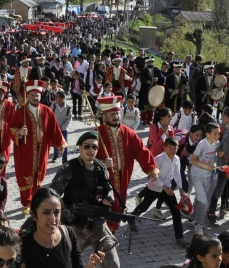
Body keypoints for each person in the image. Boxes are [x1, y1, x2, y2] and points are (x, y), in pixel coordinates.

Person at [47, 131, 121, 267]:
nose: (91, 150)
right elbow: (52, 197)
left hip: (97, 225)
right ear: (79, 147)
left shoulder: (101, 168)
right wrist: (71, 217)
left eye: (94, 147)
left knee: (113, 263)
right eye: (87, 146)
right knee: (63, 263)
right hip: (74, 227)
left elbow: (108, 188)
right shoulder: (68, 169)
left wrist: (109, 197)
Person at [94, 96, 158, 231]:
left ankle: (112, 232)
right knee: (104, 207)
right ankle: (103, 234)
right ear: (104, 115)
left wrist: (151, 169)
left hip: (123, 178)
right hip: (103, 180)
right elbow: (86, 159)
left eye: (117, 113)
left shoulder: (128, 133)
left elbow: (141, 151)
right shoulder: (96, 134)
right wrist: (101, 163)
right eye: (112, 114)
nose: (116, 116)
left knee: (118, 205)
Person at [8, 80, 68, 214]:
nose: (35, 98)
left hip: (42, 150)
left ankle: (35, 202)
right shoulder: (21, 112)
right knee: (25, 176)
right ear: (28, 96)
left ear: (40, 96)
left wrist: (60, 144)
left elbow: (54, 129)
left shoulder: (46, 111)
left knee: (38, 175)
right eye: (32, 95)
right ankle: (26, 203)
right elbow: (10, 128)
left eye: (37, 95)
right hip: (25, 151)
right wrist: (19, 132)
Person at [21, 188, 105, 268]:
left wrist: (90, 266)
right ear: (33, 214)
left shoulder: (68, 234)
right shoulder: (23, 246)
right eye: (46, 212)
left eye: (56, 212)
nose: (53, 219)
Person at [131, 137, 190, 248]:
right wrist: (164, 186)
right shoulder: (158, 159)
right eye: (170, 147)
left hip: (167, 188)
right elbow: (153, 176)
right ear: (165, 147)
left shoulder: (177, 159)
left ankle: (179, 238)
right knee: (144, 206)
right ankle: (132, 218)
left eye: (175, 148)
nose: (173, 150)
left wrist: (181, 188)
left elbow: (177, 174)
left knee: (176, 212)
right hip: (154, 187)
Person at [188, 122, 221, 236]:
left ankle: (192, 218)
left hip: (209, 176)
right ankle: (198, 225)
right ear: (207, 134)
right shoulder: (202, 144)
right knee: (204, 202)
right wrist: (207, 167)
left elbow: (215, 157)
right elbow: (192, 160)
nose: (217, 136)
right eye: (215, 134)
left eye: (219, 134)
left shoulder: (217, 144)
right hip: (196, 175)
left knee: (201, 197)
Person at [138, 58, 166, 125]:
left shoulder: (157, 70)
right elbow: (143, 81)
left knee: (152, 105)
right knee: (144, 105)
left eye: (151, 62)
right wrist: (152, 80)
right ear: (147, 64)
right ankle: (144, 119)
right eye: (149, 63)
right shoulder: (143, 71)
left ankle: (149, 119)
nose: (150, 64)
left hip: (154, 91)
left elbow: (162, 78)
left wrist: (162, 82)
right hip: (145, 90)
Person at [51, 90, 72, 163]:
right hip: (55, 128)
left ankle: (64, 159)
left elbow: (69, 119)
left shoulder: (68, 108)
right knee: (55, 142)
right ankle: (55, 155)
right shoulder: (53, 106)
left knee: (64, 143)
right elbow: (50, 116)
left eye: (57, 97)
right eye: (55, 97)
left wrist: (63, 127)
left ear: (62, 99)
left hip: (64, 129)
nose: (55, 98)